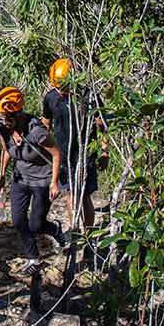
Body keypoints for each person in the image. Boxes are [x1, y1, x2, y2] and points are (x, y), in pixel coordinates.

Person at [0, 86, 66, 274]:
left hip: (43, 179)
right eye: (2, 117)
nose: (5, 122)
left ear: (18, 114)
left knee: (36, 225)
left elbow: (57, 154)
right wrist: (1, 175)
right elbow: (6, 151)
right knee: (18, 221)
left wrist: (55, 182)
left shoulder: (36, 131)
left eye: (9, 118)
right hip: (20, 178)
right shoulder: (1, 126)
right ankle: (34, 259)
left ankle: (55, 230)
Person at [40, 58, 107, 238]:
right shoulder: (51, 98)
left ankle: (90, 236)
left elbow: (103, 125)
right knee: (70, 194)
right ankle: (76, 230)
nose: (61, 92)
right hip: (63, 156)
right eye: (58, 87)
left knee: (84, 196)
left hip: (86, 154)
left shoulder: (89, 96)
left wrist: (104, 151)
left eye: (64, 88)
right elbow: (45, 124)